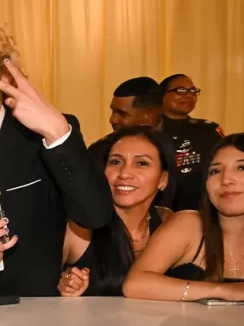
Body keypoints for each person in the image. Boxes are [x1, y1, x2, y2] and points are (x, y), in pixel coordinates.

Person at [0, 16, 112, 298]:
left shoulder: (46, 136)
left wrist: (57, 131)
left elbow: (95, 214)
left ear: (5, 77)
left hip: (40, 313)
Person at [124, 133, 244, 306]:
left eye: (243, 167)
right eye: (215, 171)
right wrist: (225, 291)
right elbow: (135, 284)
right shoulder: (189, 224)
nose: (226, 180)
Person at [59, 126, 177, 296]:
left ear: (163, 179)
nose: (124, 173)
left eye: (141, 163)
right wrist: (64, 286)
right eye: (116, 162)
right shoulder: (79, 227)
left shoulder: (168, 222)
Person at [90, 77, 200, 210]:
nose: (113, 119)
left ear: (149, 116)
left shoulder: (199, 137)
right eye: (116, 162)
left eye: (122, 114)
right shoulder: (100, 150)